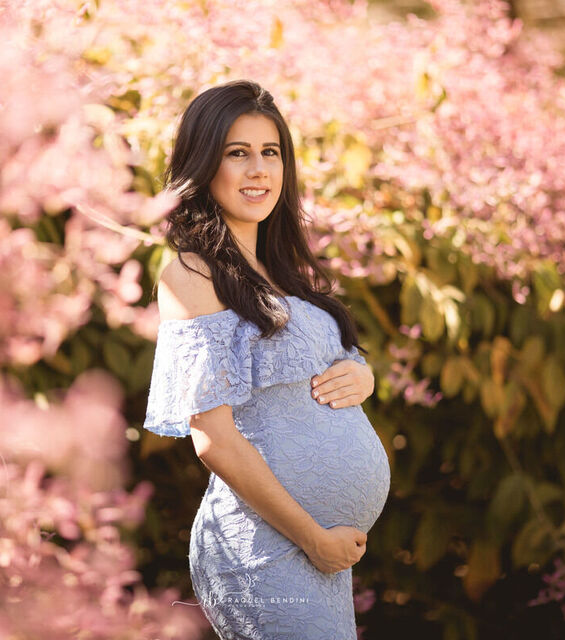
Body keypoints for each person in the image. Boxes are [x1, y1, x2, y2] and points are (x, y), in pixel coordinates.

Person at [143, 79, 390, 639]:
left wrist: (362, 376)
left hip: (316, 552)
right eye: (237, 153)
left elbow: (330, 360)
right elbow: (214, 438)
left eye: (270, 152)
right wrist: (312, 537)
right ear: (204, 165)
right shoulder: (191, 274)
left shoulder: (281, 273)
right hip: (264, 550)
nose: (258, 170)